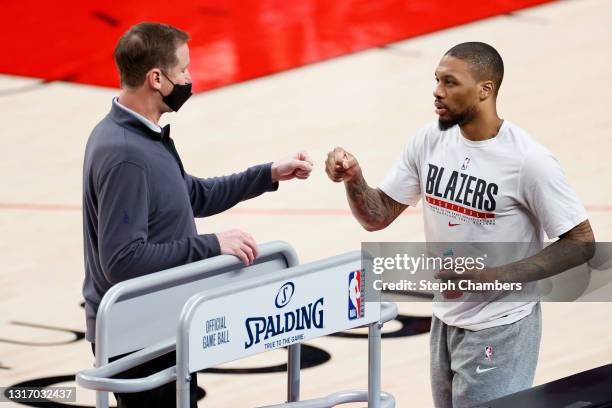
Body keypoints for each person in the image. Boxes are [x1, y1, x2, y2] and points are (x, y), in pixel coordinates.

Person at [324, 42, 594, 407]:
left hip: (502, 325)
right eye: (436, 80)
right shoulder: (429, 139)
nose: (437, 91)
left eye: (450, 82)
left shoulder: (529, 161)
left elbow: (580, 243)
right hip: (446, 318)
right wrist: (353, 178)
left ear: (485, 90)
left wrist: (494, 275)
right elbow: (377, 216)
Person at [82, 22, 313, 407]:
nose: (190, 78)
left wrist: (268, 173)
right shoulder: (125, 154)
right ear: (156, 78)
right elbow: (121, 261)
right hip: (136, 333)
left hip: (158, 323)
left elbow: (192, 195)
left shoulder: (141, 135)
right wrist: (212, 246)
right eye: (184, 70)